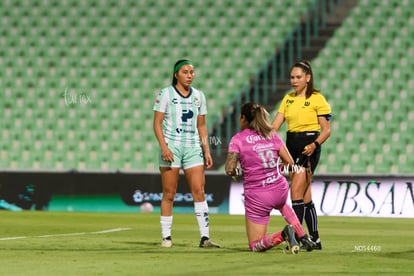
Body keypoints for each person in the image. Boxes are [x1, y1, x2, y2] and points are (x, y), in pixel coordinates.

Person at [225, 102, 316, 253]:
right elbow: (290, 163)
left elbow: (229, 169)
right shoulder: (271, 135)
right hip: (279, 189)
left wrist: (236, 172)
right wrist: (275, 168)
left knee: (255, 245)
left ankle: (284, 234)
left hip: (258, 195)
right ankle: (304, 236)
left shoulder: (238, 140)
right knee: (282, 205)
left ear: (243, 119)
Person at [153, 59, 220, 248]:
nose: (190, 75)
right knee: (169, 193)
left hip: (192, 148)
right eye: (185, 72)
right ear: (176, 74)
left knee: (199, 191)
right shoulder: (165, 94)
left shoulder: (199, 96)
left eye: (192, 72)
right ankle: (166, 237)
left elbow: (202, 126)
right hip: (171, 147)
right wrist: (164, 147)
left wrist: (206, 150)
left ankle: (205, 238)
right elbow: (156, 123)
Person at [271, 60, 332, 250]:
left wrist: (314, 145)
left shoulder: (317, 98)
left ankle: (296, 237)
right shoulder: (287, 99)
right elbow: (274, 127)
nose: (294, 80)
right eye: (292, 77)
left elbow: (326, 130)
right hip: (291, 146)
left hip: (309, 147)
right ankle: (315, 239)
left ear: (308, 78)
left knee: (295, 192)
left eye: (298, 77)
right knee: (305, 196)